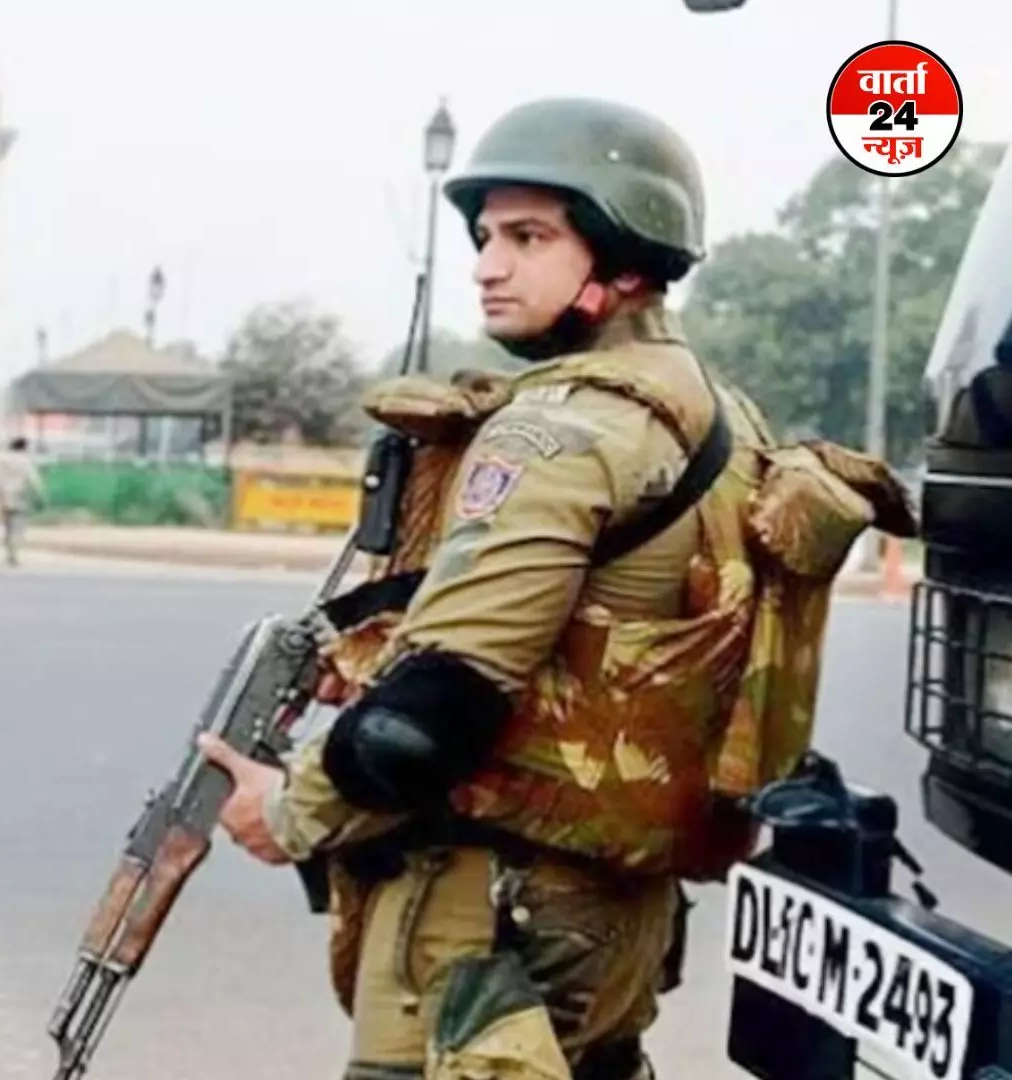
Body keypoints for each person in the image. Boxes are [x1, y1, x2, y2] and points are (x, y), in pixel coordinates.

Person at [197, 98, 787, 1080]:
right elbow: (600, 635)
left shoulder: (559, 430)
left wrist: (289, 810)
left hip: (488, 912)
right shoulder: (727, 419)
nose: (488, 264)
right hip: (619, 905)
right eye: (484, 237)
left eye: (528, 236)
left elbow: (433, 711)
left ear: (623, 253)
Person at [0, 436, 46, 567]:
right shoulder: (25, 461)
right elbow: (33, 479)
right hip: (20, 496)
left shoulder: (2, 460)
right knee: (18, 526)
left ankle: (9, 551)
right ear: (24, 448)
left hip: (4, 496)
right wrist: (41, 496)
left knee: (8, 526)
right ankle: (14, 552)